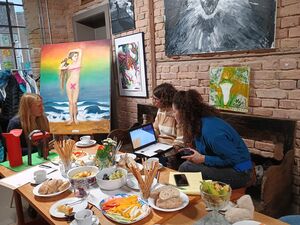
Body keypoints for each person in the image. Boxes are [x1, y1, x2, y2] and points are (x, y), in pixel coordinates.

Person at [173, 89, 252, 189]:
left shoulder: (211, 132)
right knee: (188, 164)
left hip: (241, 172)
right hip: (231, 166)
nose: (173, 115)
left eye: (174, 111)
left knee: (185, 167)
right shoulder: (199, 123)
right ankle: (185, 193)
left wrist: (203, 158)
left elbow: (234, 159)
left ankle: (182, 197)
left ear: (183, 112)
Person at [152, 83, 184, 168]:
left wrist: (170, 151)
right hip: (158, 146)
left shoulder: (177, 112)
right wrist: (149, 139)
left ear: (164, 100)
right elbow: (155, 128)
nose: (153, 101)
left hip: (170, 149)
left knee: (155, 164)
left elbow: (181, 140)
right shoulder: (160, 110)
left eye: (155, 99)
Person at [59, 48, 82, 125]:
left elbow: (80, 50)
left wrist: (70, 51)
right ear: (71, 57)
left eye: (76, 56)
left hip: (76, 85)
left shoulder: (79, 62)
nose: (76, 57)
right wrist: (66, 61)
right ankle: (71, 119)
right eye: (74, 56)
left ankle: (75, 118)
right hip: (69, 84)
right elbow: (60, 67)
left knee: (75, 102)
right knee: (71, 102)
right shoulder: (69, 65)